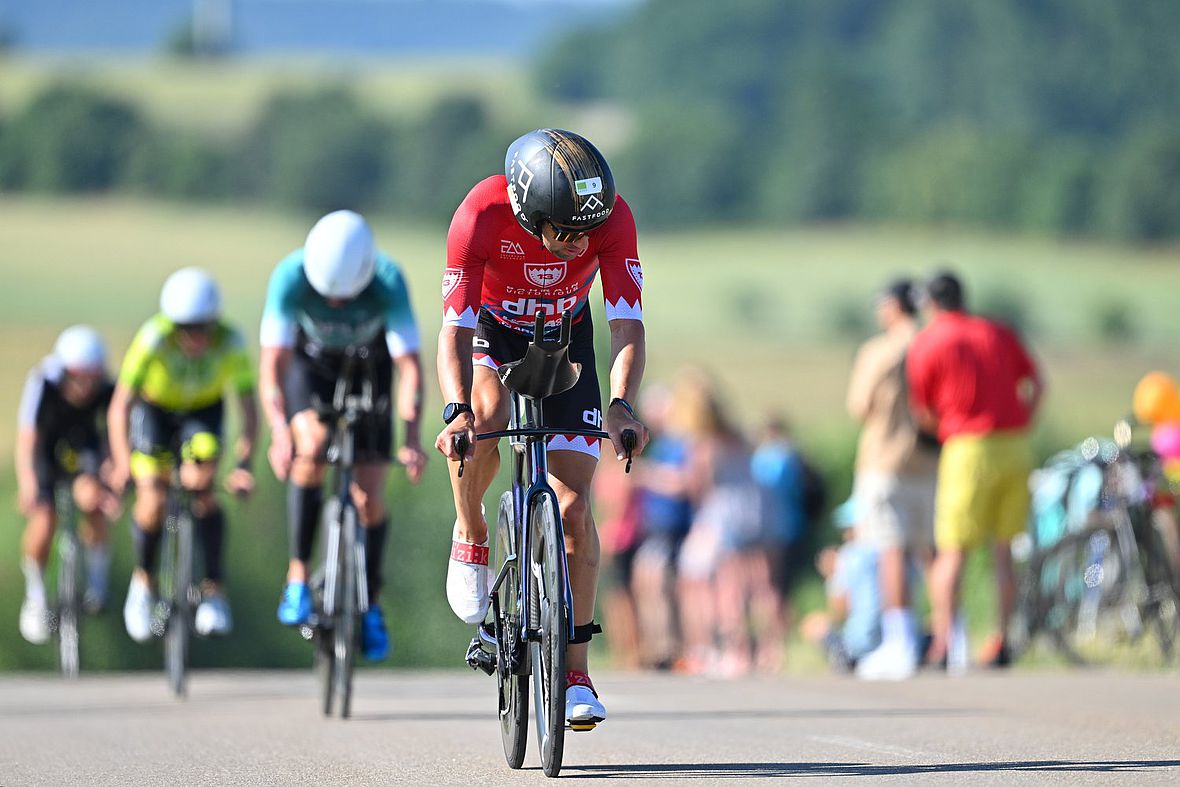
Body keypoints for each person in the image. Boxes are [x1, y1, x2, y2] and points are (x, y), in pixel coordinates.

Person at [434, 128, 649, 727]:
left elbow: (626, 326)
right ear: (529, 214)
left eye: (588, 232)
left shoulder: (611, 218)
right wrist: (456, 411)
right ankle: (472, 529)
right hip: (492, 332)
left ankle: (577, 673)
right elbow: (452, 330)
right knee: (488, 418)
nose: (579, 243)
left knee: (576, 509)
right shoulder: (481, 213)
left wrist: (623, 403)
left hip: (566, 335)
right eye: (566, 232)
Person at [259, 210, 426, 663]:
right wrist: (279, 432)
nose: (335, 304)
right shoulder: (291, 277)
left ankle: (370, 603)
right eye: (326, 296)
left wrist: (411, 436)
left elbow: (409, 368)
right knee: (310, 448)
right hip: (310, 364)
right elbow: (272, 365)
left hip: (369, 365)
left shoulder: (388, 280)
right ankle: (297, 576)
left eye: (344, 297)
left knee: (370, 496)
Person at [107, 268, 257, 642]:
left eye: (201, 328)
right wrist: (123, 463)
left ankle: (214, 591)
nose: (194, 338)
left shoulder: (231, 341)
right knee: (152, 497)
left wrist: (243, 464)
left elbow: (249, 409)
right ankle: (143, 583)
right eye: (184, 329)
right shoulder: (153, 339)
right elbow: (120, 406)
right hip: (155, 413)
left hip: (202, 412)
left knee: (202, 486)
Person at [906, 271, 1043, 670]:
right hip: (1015, 445)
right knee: (1003, 552)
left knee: (953, 551)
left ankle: (946, 643)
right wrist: (1022, 421)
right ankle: (1002, 640)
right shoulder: (998, 332)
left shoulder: (929, 340)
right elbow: (1036, 383)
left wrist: (947, 429)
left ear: (932, 304)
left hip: (968, 446)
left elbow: (923, 411)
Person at [845, 279, 940, 680]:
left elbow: (859, 405)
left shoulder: (880, 350)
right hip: (928, 459)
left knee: (890, 549)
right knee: (930, 551)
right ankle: (949, 636)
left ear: (893, 306)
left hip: (885, 459)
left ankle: (899, 641)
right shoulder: (933, 344)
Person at [15, 326, 120, 644]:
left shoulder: (108, 389)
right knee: (44, 519)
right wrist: (28, 483)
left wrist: (112, 478)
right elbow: (27, 436)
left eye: (92, 378)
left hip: (84, 449)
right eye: (78, 377)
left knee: (93, 500)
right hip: (47, 452)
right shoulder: (42, 383)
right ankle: (35, 594)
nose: (85, 386)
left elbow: (114, 435)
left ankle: (96, 579)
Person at [630, 383, 694, 670]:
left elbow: (683, 482)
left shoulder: (680, 443)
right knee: (646, 583)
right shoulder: (660, 445)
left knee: (659, 584)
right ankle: (656, 646)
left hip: (674, 526)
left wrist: (648, 476)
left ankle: (670, 647)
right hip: (655, 526)